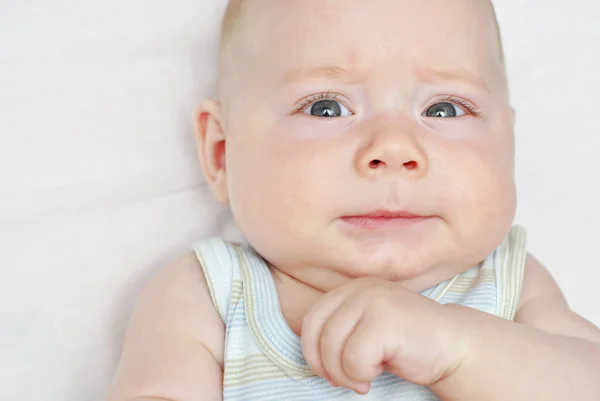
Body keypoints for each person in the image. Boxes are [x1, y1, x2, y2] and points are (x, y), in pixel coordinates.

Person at [106, 0, 600, 399]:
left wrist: (460, 346)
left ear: (509, 141)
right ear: (222, 153)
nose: (392, 149)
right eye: (326, 107)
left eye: (446, 108)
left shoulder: (509, 283)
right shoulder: (208, 295)